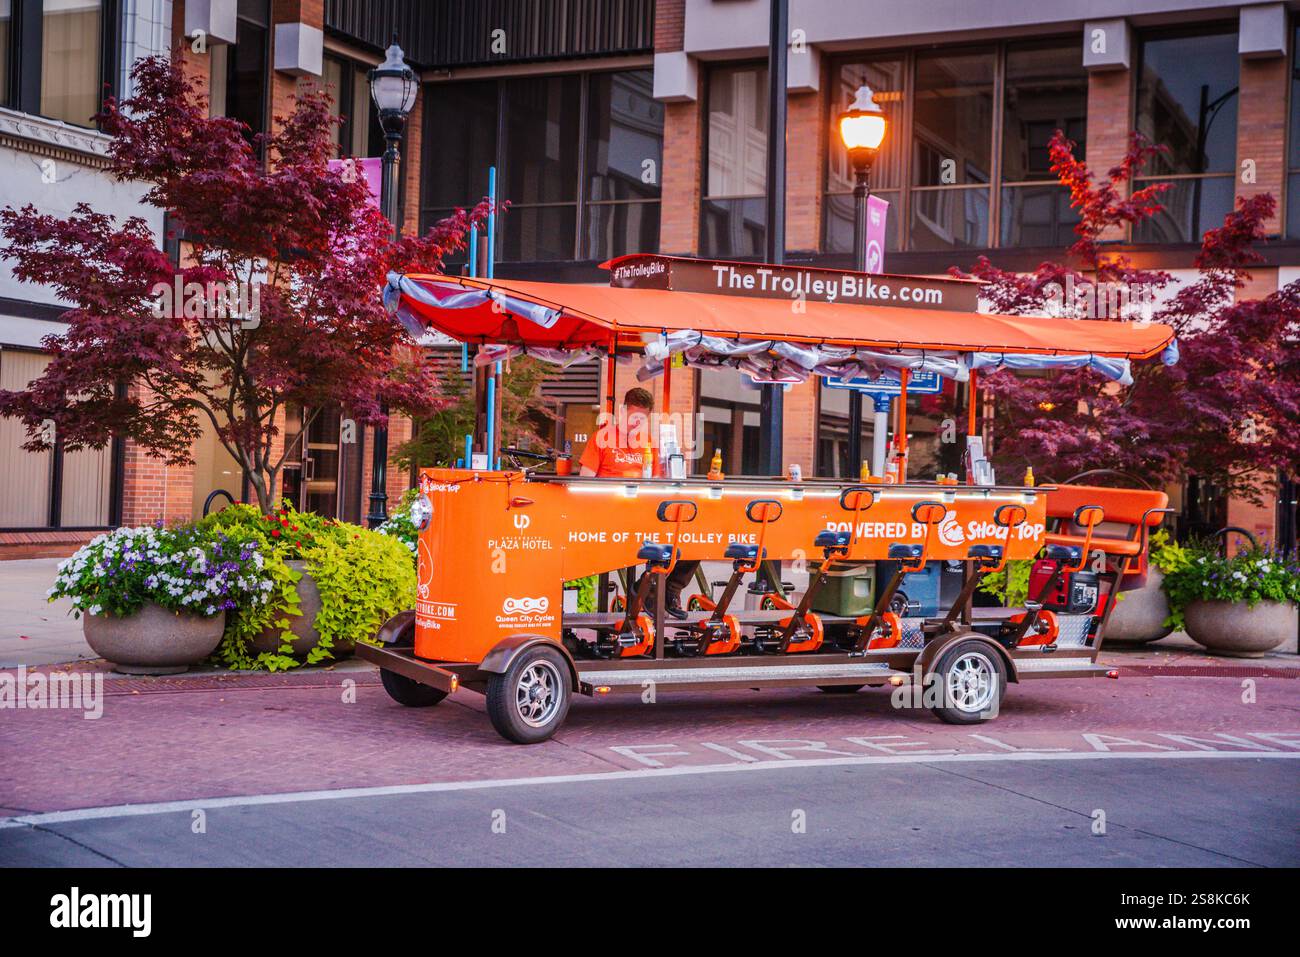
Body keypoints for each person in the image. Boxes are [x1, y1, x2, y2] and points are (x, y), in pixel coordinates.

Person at [578, 387, 696, 618]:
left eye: (641, 419)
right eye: (633, 417)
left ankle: (666, 588)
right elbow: (585, 482)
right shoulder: (601, 439)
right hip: (611, 515)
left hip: (645, 513)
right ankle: (650, 586)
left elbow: (661, 480)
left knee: (692, 534)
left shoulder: (648, 441)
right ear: (622, 411)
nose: (636, 423)